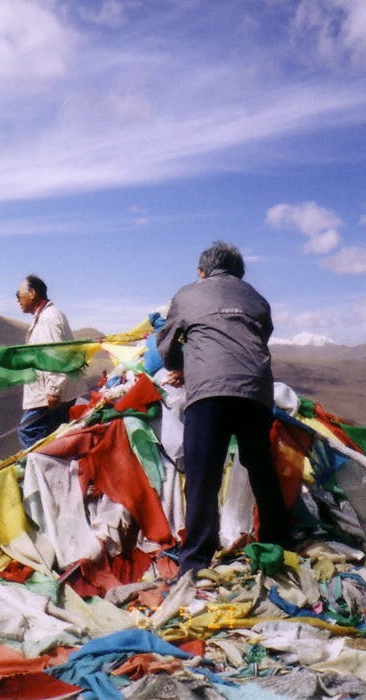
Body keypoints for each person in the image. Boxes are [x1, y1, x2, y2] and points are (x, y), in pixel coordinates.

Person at [156, 241, 291, 577]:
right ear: (239, 273)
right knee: (261, 468)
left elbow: (167, 345)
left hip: (209, 392)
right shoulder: (257, 299)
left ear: (202, 272)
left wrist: (180, 366)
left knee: (203, 475)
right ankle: (278, 544)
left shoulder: (187, 294)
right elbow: (258, 336)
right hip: (255, 391)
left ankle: (195, 561)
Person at [15, 274, 78, 448]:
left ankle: (41, 465)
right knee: (54, 436)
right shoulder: (45, 316)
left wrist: (54, 390)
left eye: (18, 294)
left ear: (32, 293)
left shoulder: (48, 318)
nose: (18, 299)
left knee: (28, 432)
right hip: (53, 392)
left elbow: (56, 355)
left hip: (49, 394)